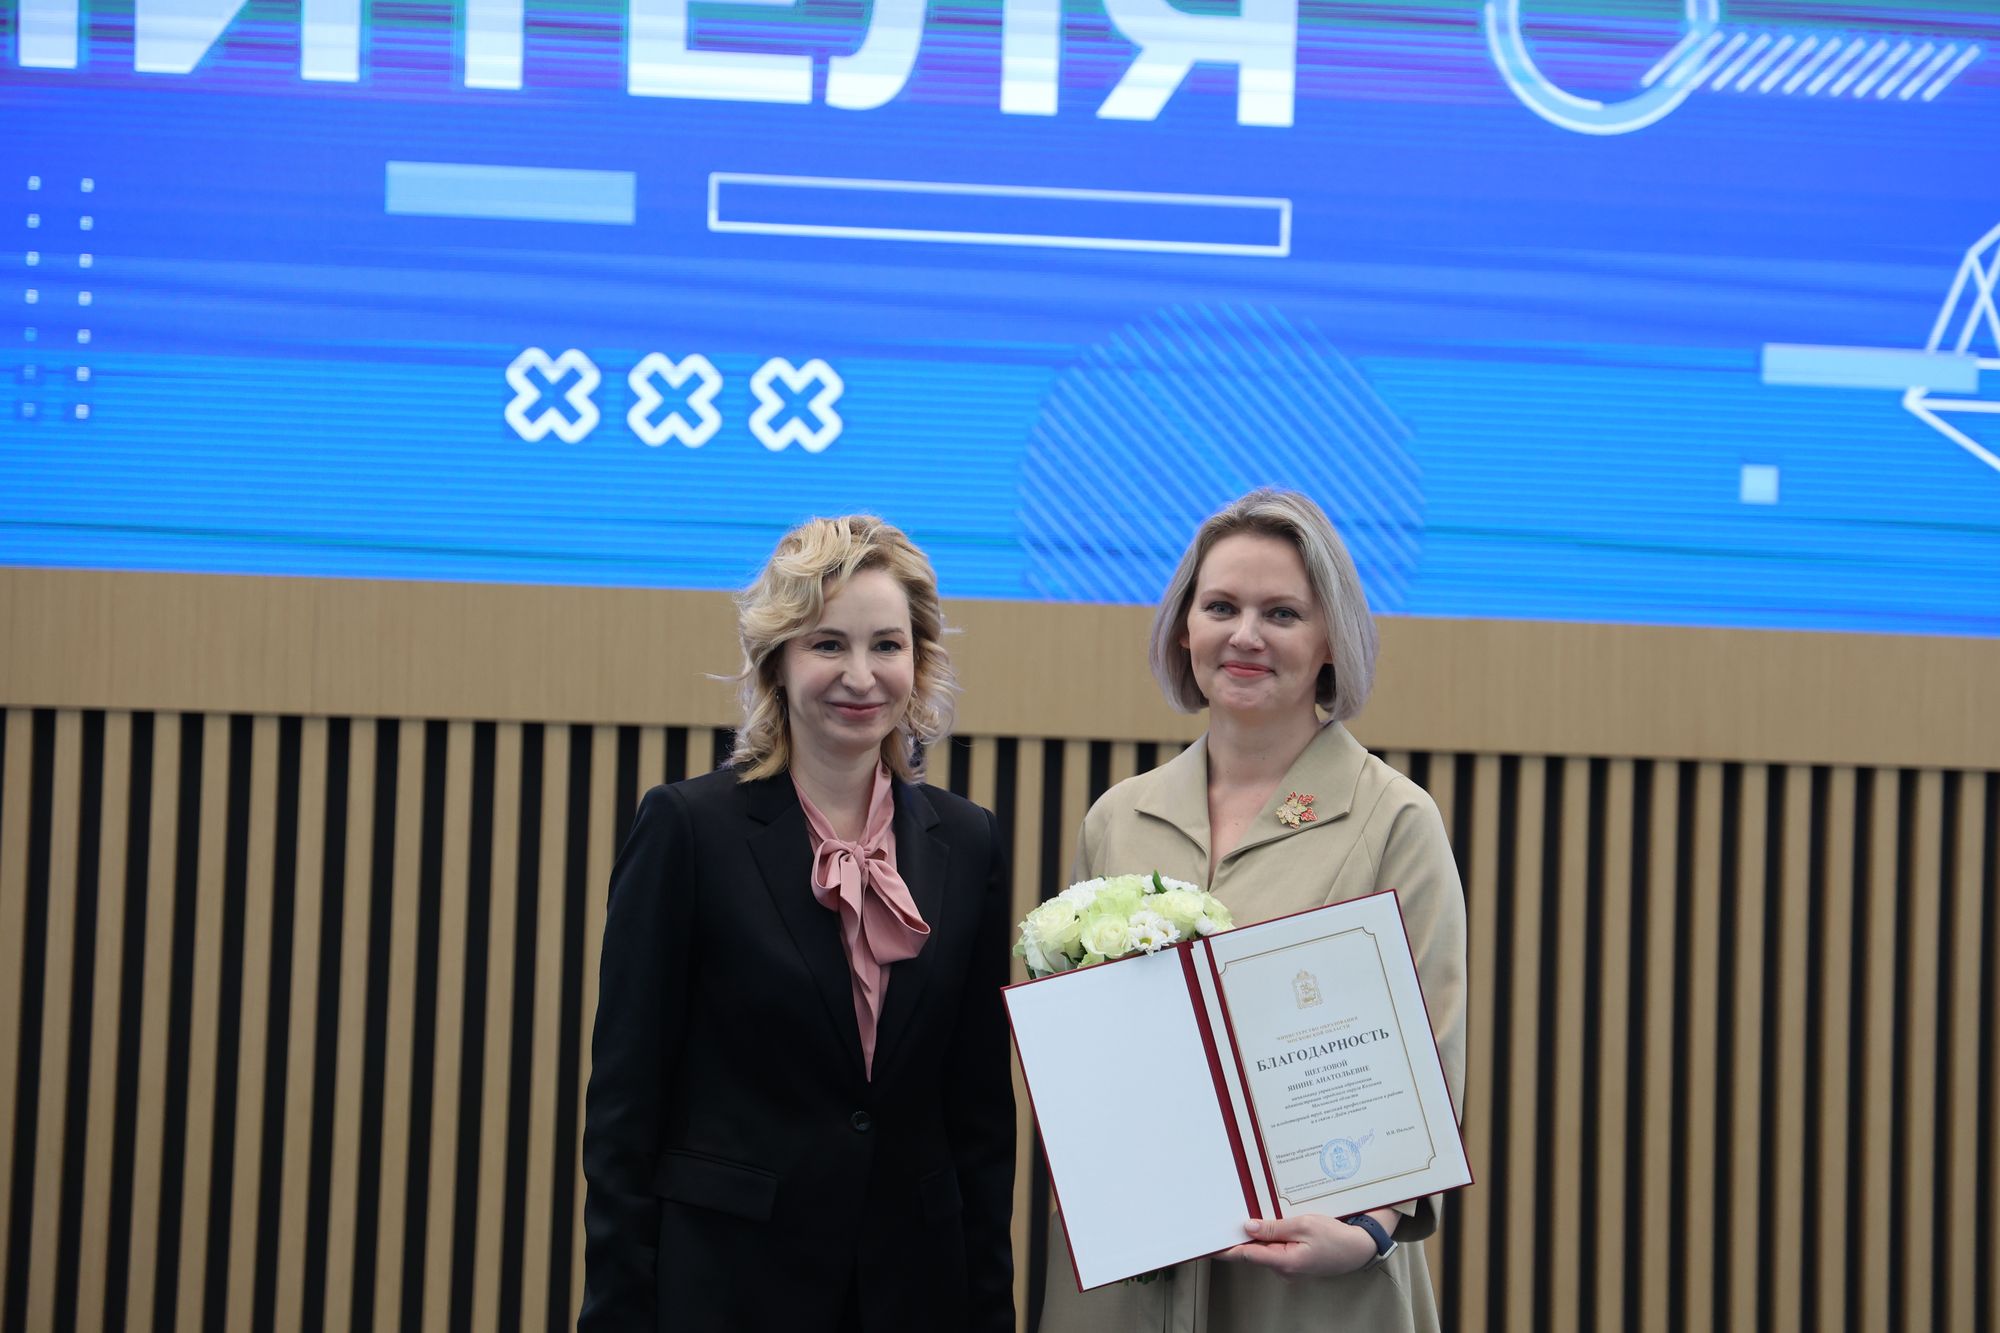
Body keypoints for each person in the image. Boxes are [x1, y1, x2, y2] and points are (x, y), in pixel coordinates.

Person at [1036, 489, 1468, 1333]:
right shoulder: (1118, 817)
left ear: (1330, 640)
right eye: (1221, 607)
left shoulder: (1394, 818)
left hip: (1312, 1275)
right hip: (1134, 1271)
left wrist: (1370, 1228)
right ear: (1183, 628)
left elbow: (1432, 1049)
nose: (1245, 635)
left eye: (1282, 613)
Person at [579, 516, 1015, 1333]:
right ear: (777, 659)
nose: (861, 675)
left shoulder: (967, 840)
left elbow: (981, 1121)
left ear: (919, 661)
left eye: (887, 645)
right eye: (827, 645)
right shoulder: (687, 828)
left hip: (915, 1296)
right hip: (727, 1293)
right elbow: (623, 1117)